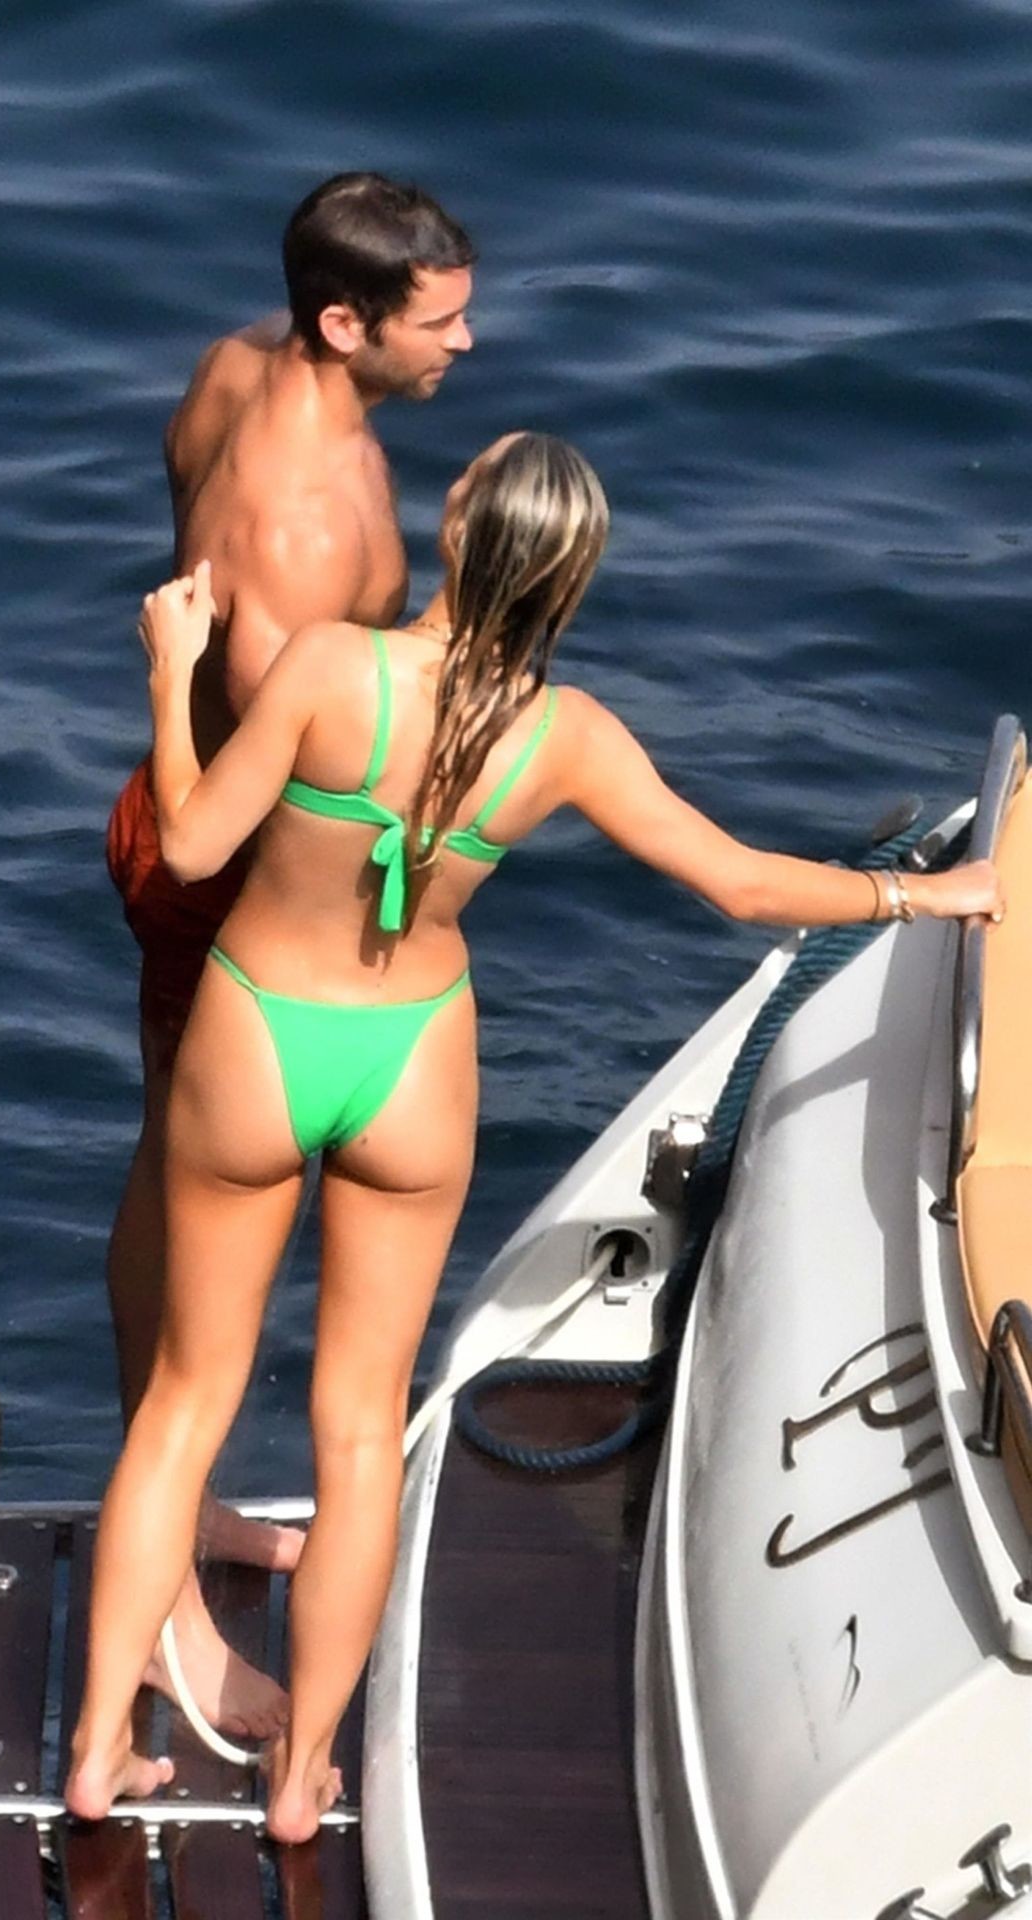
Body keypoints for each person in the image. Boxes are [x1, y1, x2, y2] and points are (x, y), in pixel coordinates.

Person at [69, 432, 1002, 1841]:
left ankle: (97, 1756)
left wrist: (171, 668)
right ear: (572, 573)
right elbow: (741, 884)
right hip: (412, 1061)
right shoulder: (565, 735)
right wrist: (928, 895)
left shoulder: (331, 667)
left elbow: (191, 847)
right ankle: (303, 1783)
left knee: (183, 1405)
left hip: (259, 1031)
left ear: (455, 527)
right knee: (359, 1430)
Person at [104, 172, 475, 1738]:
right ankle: (165, 1624)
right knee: (209, 1243)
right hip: (219, 879)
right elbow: (264, 786)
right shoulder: (306, 534)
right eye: (439, 323)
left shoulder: (229, 369)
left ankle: (179, 1512)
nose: (466, 344)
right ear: (344, 320)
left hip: (171, 828)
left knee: (162, 1174)